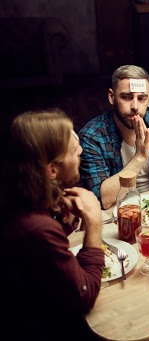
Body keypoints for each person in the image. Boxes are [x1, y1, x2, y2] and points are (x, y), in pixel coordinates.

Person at [1, 109, 104, 340]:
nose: (80, 150)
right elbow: (84, 296)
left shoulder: (21, 197)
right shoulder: (38, 229)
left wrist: (66, 219)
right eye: (72, 148)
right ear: (52, 170)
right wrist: (94, 221)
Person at [79, 65, 149, 209]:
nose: (135, 106)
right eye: (126, 97)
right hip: (119, 213)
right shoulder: (92, 135)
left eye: (141, 98)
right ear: (111, 96)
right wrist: (139, 157)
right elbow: (102, 199)